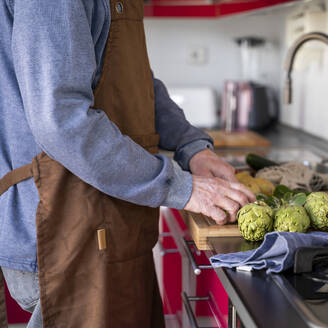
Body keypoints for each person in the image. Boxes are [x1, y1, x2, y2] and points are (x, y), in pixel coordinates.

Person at [0, 1, 255, 327]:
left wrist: (192, 148)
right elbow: (60, 119)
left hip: (109, 223)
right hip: (62, 228)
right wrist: (180, 187)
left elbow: (138, 81)